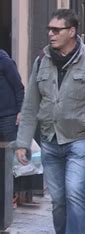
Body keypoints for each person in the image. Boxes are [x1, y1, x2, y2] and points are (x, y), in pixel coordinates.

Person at [15, 9, 85, 234]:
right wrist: (22, 142)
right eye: (49, 29)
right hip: (50, 139)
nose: (50, 34)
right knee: (59, 199)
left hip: (82, 138)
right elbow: (31, 105)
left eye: (56, 29)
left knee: (74, 192)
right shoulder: (41, 61)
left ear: (71, 31)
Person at [0, 49, 24, 209]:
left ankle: (12, 195)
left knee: (10, 159)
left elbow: (18, 87)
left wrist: (21, 110)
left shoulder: (4, 61)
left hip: (7, 116)